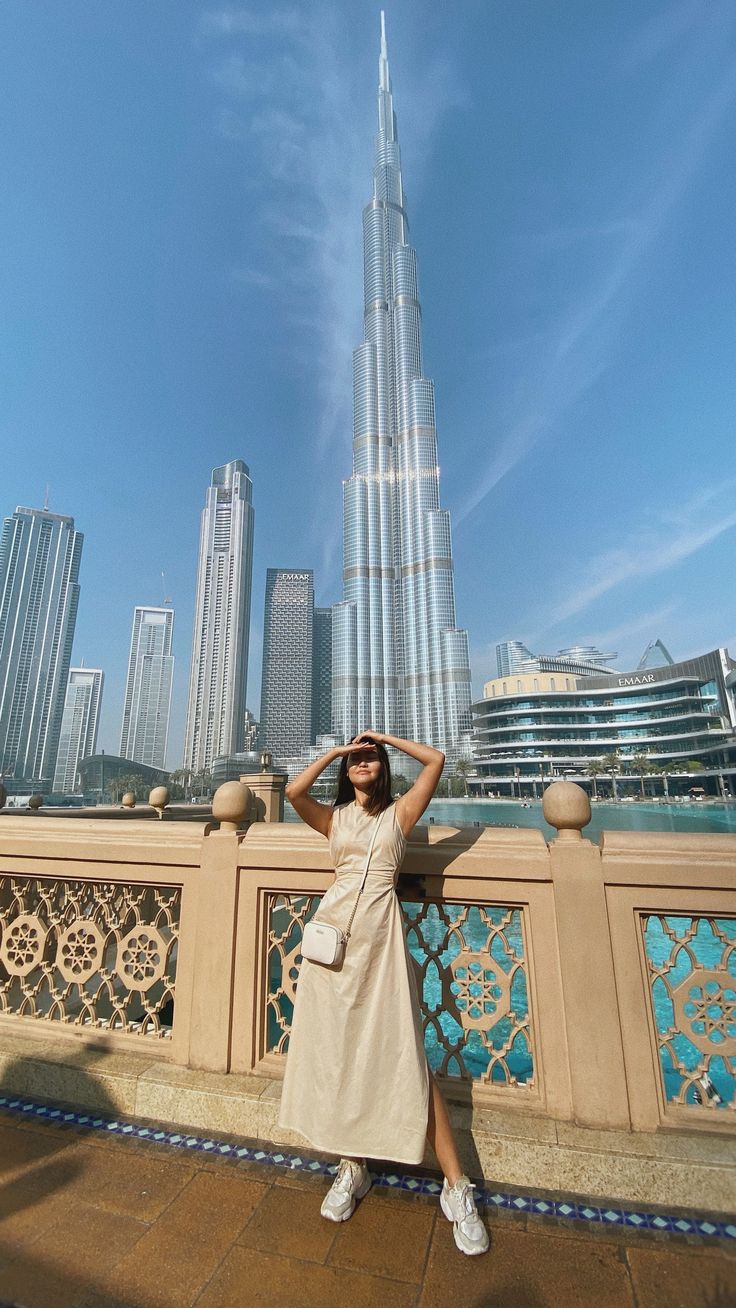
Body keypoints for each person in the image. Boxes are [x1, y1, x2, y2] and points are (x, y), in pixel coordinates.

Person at [277, 730, 489, 1257]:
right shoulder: (334, 819)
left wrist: (382, 738)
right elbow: (293, 793)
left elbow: (436, 761)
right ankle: (353, 1168)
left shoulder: (400, 814)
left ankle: (457, 1188)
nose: (363, 761)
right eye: (356, 759)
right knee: (340, 1056)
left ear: (384, 766)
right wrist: (337, 752)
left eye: (370, 758)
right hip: (332, 947)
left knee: (407, 1057)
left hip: (381, 943)